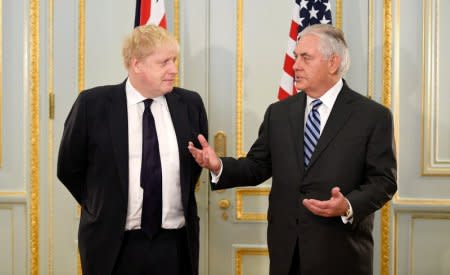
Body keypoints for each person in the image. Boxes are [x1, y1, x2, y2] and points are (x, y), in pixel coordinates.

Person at [188, 24, 397, 275]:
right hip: (287, 252)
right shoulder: (279, 112)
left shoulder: (372, 116)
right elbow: (257, 166)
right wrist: (218, 165)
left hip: (340, 252)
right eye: (296, 56)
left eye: (305, 58)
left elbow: (384, 180)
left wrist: (348, 206)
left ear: (333, 63)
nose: (295, 65)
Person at [57, 25, 207, 275]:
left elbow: (193, 169)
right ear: (137, 65)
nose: (174, 69)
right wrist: (101, 205)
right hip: (112, 245)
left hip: (174, 245)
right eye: (164, 62)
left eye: (174, 60)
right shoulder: (92, 105)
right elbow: (69, 168)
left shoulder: (190, 104)